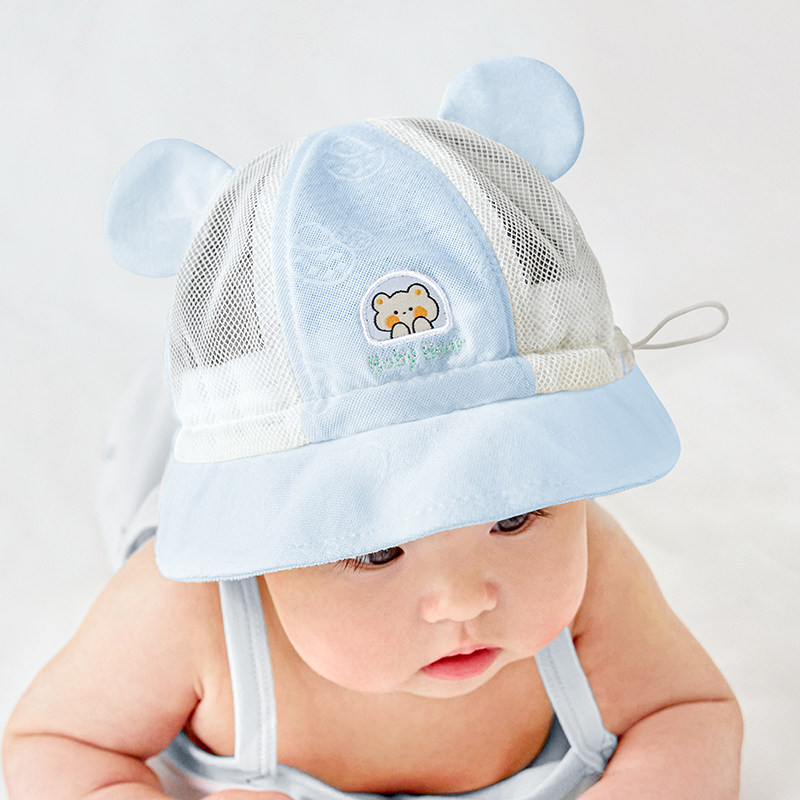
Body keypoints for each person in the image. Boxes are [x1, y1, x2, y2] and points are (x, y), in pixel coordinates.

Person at [2, 58, 742, 800]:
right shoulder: (187, 614)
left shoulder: (592, 574)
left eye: (514, 516)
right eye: (376, 550)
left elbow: (688, 713)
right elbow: (52, 748)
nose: (463, 601)